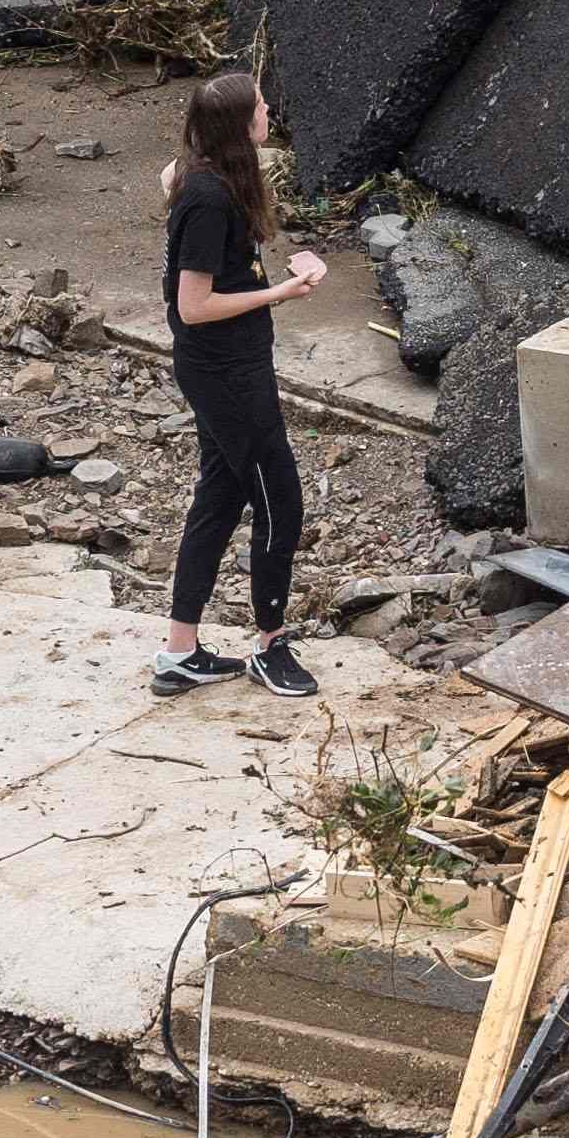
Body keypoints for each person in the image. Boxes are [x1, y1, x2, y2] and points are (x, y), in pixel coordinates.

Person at [151, 70, 333, 699]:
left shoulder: (206, 174)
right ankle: (271, 645)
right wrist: (283, 290)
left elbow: (168, 181)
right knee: (281, 501)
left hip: (230, 366)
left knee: (221, 498)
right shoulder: (209, 195)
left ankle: (179, 653)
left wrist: (274, 271)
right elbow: (194, 306)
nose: (267, 111)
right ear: (237, 124)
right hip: (224, 372)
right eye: (259, 105)